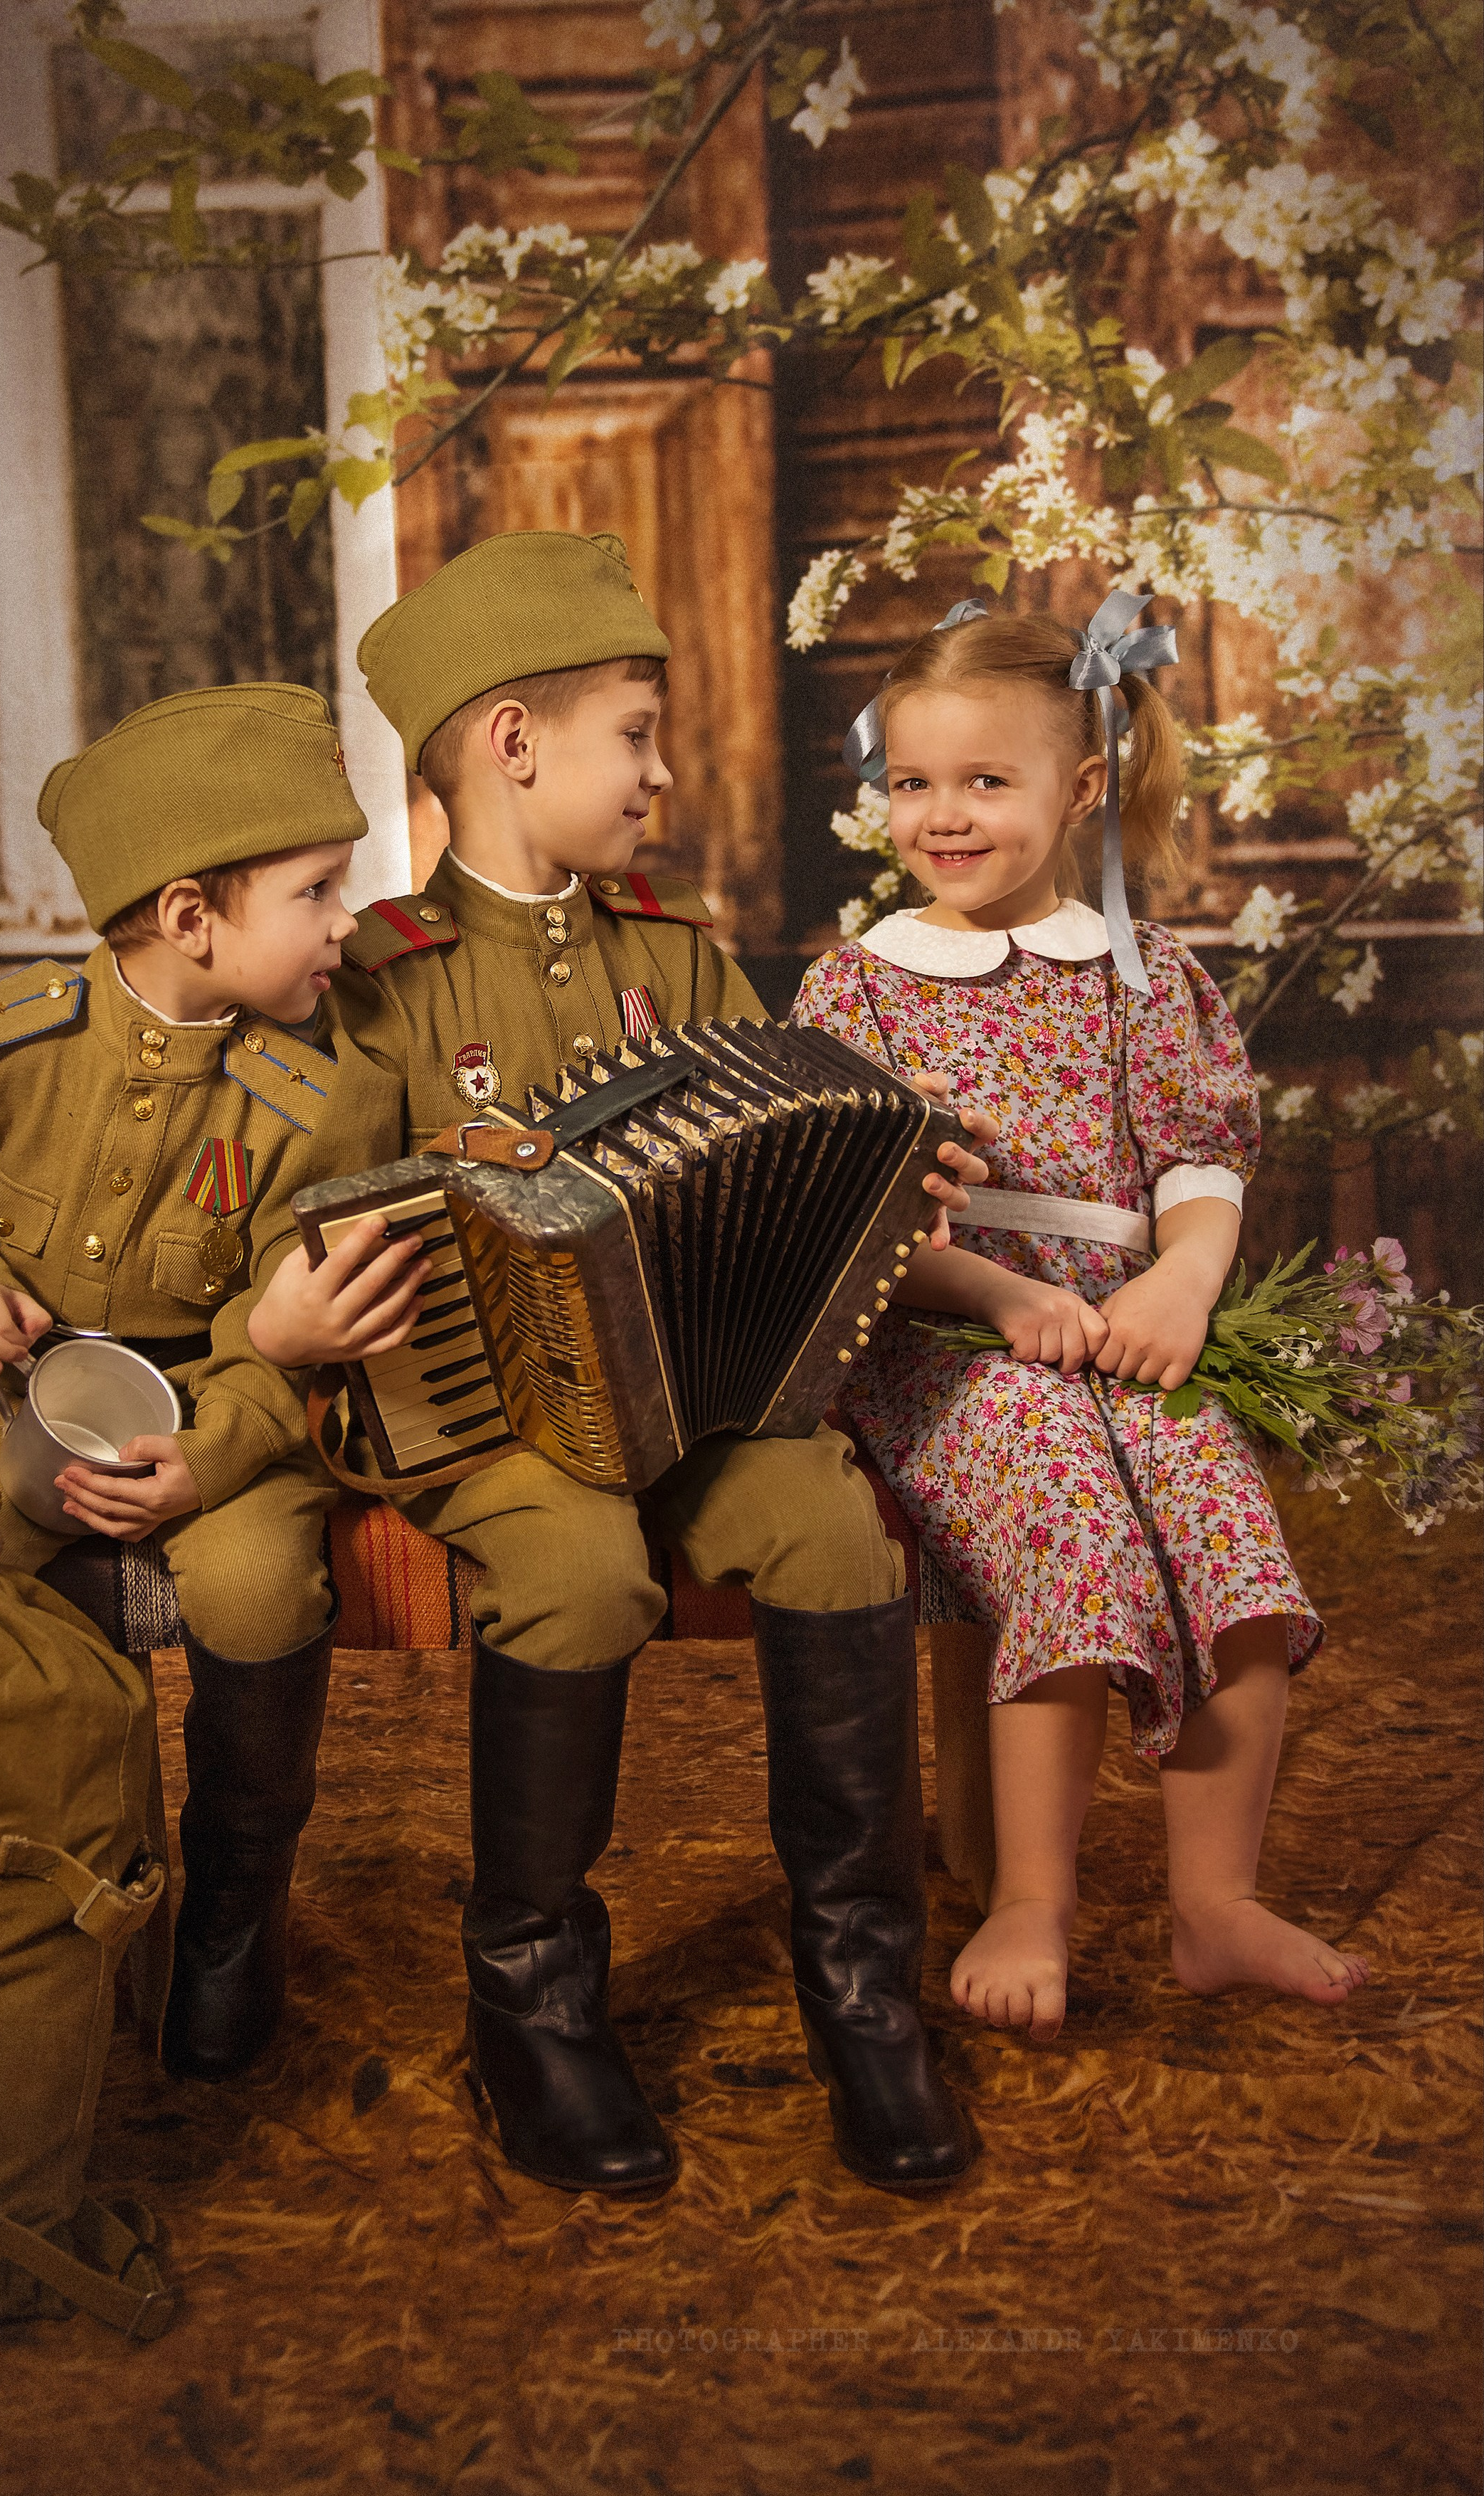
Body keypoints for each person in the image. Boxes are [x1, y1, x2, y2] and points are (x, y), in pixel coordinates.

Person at [248, 529, 993, 2198]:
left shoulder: (682, 955)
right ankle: (532, 2004)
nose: (660, 774)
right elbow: (312, 1228)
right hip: (488, 1414)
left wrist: (888, 1187)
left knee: (828, 1528)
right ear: (513, 744)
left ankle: (861, 1992)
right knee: (580, 1575)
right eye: (634, 736)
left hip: (703, 1398)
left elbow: (798, 1175)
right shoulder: (365, 983)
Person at [793, 597, 1367, 2048]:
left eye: (985, 781)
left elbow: (1196, 1158)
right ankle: (1029, 1894)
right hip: (947, 1336)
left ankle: (1211, 1900)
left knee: (1216, 1507)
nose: (942, 814)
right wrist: (997, 1294)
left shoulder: (1139, 973)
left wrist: (1181, 1281)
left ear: (1080, 788)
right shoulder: (856, 985)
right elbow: (854, 1218)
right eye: (912, 782)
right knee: (1064, 1499)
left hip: (1120, 1324)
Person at [0, 684, 429, 2083]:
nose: (343, 922)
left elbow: (289, 1319)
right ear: (188, 919)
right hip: (21, 1400)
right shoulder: (12, 1041)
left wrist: (218, 1450)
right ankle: (59, 1899)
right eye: (313, 891)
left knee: (251, 1583)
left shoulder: (327, 1089)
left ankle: (233, 1913)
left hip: (238, 1398)